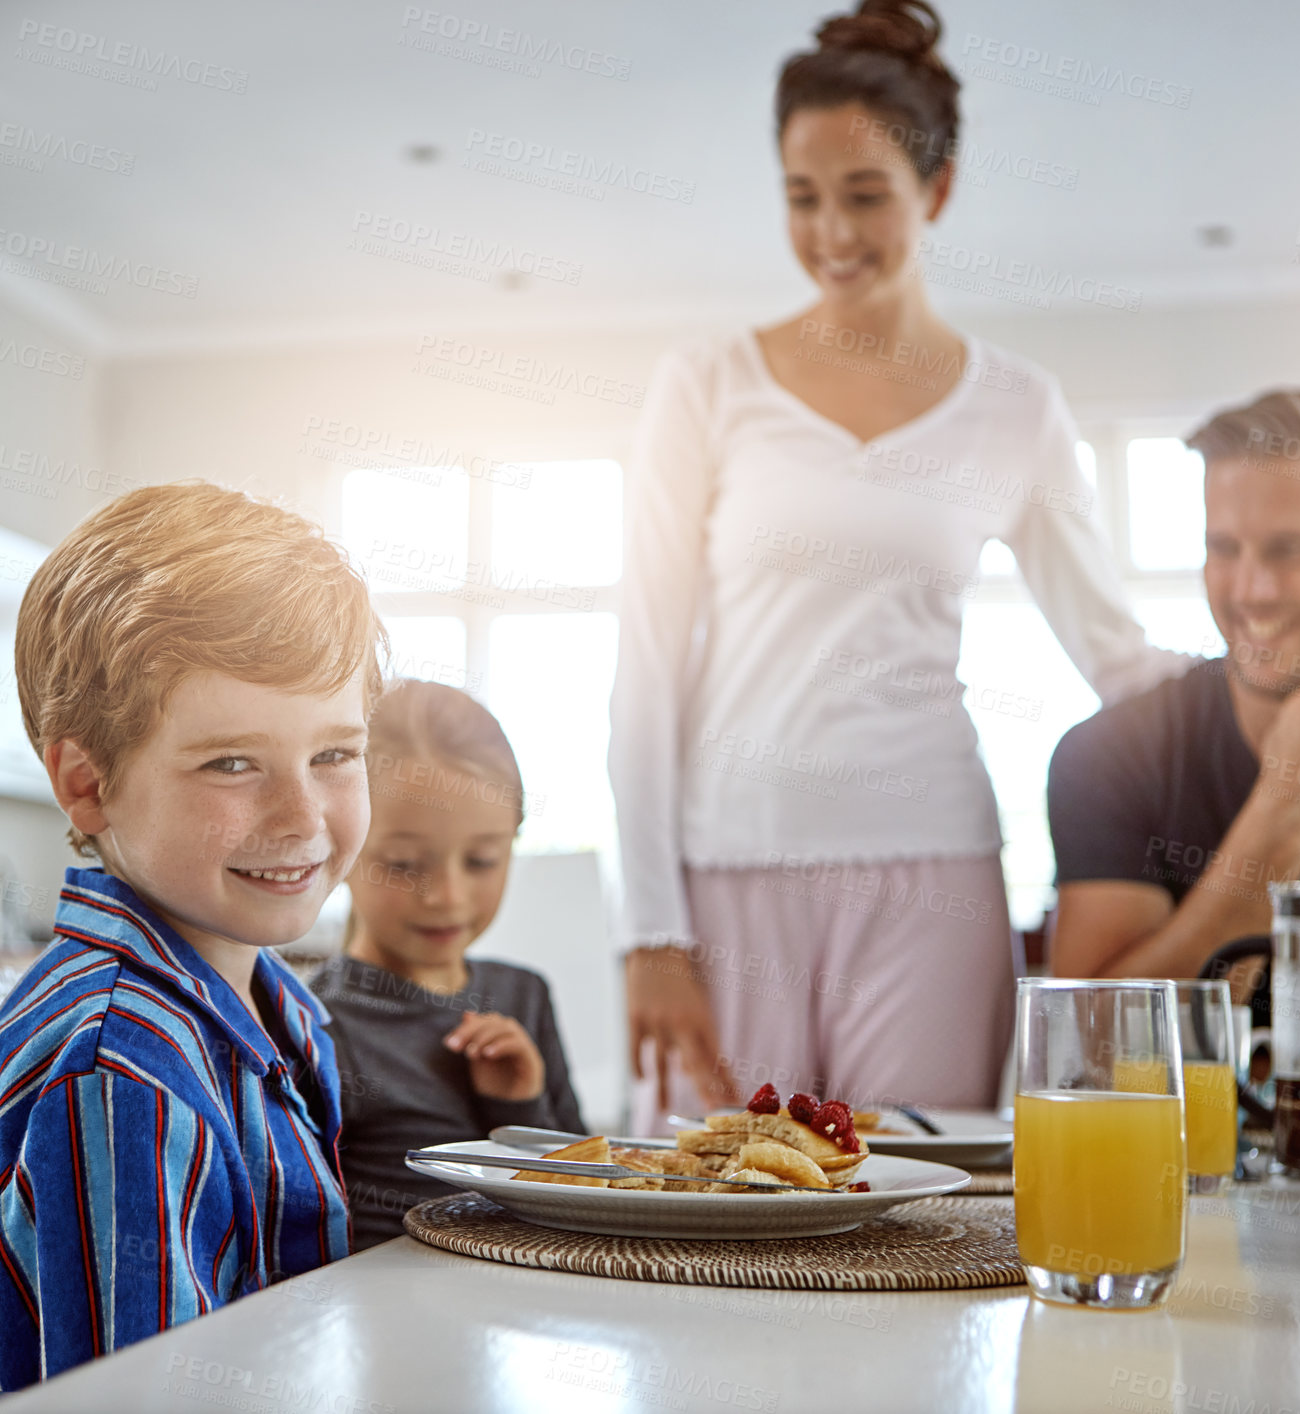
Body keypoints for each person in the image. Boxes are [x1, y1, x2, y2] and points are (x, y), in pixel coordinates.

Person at [608, 0, 1184, 1130]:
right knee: (710, 1208)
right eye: (801, 196)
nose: (831, 234)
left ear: (939, 189)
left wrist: (1295, 692)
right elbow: (644, 670)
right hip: (726, 869)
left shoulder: (1018, 407)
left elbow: (1117, 656)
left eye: (864, 195)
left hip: (933, 874)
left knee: (911, 1209)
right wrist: (648, 934)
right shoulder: (706, 384)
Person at [0, 483, 384, 1390]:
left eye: (334, 754)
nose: (302, 817)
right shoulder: (122, 1073)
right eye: (232, 763)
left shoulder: (274, 1007)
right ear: (89, 784)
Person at [1048, 390, 1300, 980]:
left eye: (1291, 550)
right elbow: (1101, 1050)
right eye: (1224, 548)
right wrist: (1287, 809)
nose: (1252, 591)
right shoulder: (1112, 754)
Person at [310, 679, 583, 1250]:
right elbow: (309, 1237)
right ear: (341, 843)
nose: (447, 896)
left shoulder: (523, 995)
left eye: (481, 860)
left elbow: (585, 1190)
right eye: (406, 863)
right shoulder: (320, 1025)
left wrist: (518, 1103)